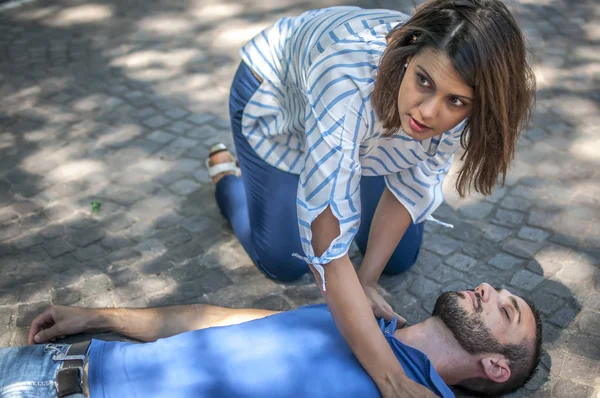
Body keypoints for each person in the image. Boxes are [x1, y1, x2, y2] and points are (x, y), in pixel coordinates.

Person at [207, 0, 535, 396]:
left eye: (456, 101)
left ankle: (342, 182)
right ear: (408, 52)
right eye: (424, 82)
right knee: (283, 262)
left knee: (398, 259)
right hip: (279, 104)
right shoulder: (345, 78)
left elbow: (410, 187)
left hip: (364, 133)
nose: (429, 113)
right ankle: (229, 179)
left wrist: (365, 283)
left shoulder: (456, 99)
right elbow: (325, 245)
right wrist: (389, 375)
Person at [0, 283, 542, 397]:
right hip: (59, 364)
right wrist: (96, 315)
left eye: (506, 309)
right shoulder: (358, 320)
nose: (489, 289)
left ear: (496, 366)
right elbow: (208, 317)